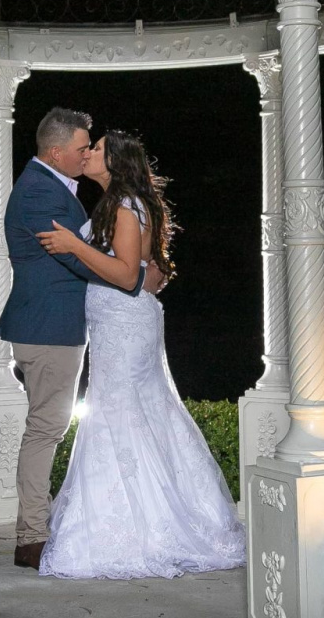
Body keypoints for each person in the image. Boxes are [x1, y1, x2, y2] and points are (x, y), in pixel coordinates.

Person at [33, 130, 246, 579]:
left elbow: (129, 273)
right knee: (130, 413)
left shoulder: (126, 205)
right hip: (116, 325)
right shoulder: (119, 203)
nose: (88, 153)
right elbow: (148, 269)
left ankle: (137, 528)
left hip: (124, 327)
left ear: (115, 162)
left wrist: (75, 245)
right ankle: (137, 515)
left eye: (97, 148)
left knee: (120, 413)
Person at [0, 107, 159, 569]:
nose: (87, 153)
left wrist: (142, 270)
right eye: (82, 148)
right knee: (46, 429)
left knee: (53, 426)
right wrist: (135, 277)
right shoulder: (37, 195)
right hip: (48, 330)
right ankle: (31, 537)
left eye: (93, 147)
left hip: (64, 328)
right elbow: (77, 261)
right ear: (56, 152)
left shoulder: (58, 187)